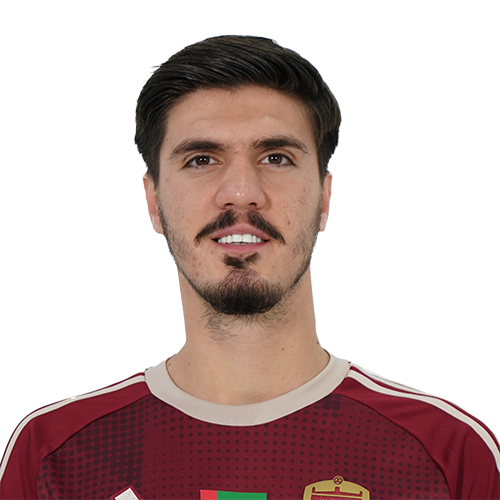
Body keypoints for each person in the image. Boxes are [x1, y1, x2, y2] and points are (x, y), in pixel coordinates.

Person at [1, 35, 498, 500]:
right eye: (201, 159)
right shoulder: (53, 455)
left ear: (324, 197)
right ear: (153, 201)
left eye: (276, 157)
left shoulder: (449, 451)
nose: (241, 192)